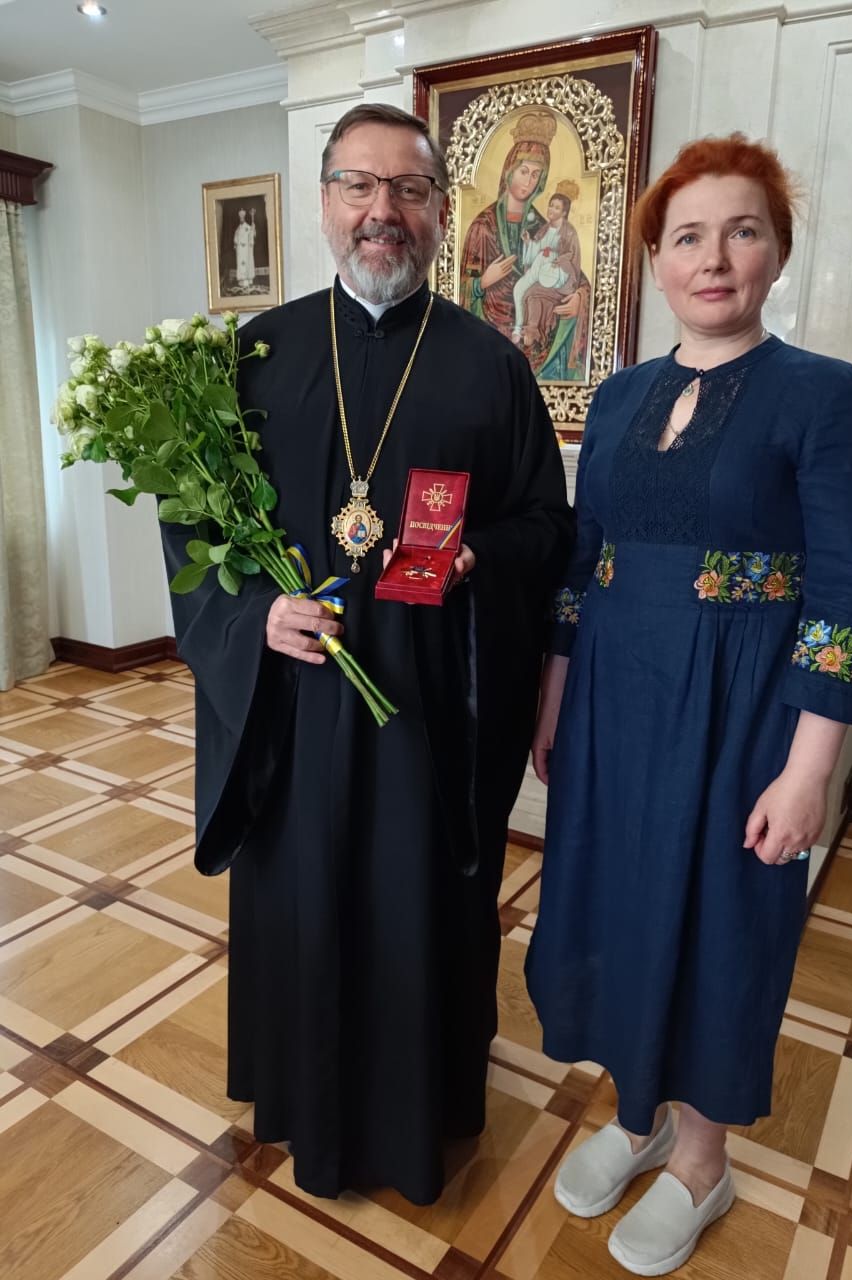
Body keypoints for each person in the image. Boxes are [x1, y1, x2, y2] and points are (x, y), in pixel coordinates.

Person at [161, 103, 573, 1206]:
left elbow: (548, 527)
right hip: (293, 708)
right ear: (325, 200)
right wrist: (255, 618)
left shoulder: (493, 367)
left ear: (442, 213)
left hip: (429, 709)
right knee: (300, 897)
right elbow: (190, 530)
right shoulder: (251, 356)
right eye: (359, 187)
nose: (382, 212)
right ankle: (304, 1102)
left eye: (408, 190)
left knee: (415, 904)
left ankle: (417, 1112)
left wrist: (477, 556)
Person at [527, 133, 852, 1275]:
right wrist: (554, 694)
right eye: (688, 235)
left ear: (777, 251)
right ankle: (635, 1116)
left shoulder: (824, 396)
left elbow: (849, 591)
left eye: (743, 229)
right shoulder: (623, 393)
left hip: (746, 716)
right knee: (619, 905)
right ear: (656, 260)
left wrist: (809, 765)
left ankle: (700, 1156)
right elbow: (585, 562)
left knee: (725, 925)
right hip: (613, 704)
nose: (715, 256)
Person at [460, 111, 590, 380]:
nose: (529, 181)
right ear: (509, 170)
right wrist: (482, 283)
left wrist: (580, 297)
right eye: (523, 171)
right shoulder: (483, 226)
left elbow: (575, 272)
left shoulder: (545, 226)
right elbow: (455, 295)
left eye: (536, 175)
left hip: (537, 323)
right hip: (489, 340)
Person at [512, 182, 583, 354]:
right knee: (518, 288)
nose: (551, 210)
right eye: (551, 205)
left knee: (533, 294)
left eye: (556, 208)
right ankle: (518, 327)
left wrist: (556, 259)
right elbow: (535, 252)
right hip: (538, 270)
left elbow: (572, 257)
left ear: (564, 212)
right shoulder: (544, 229)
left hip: (554, 277)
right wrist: (529, 242)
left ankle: (532, 333)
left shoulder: (569, 233)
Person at [233, 207, 255, 290]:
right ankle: (241, 281)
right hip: (239, 250)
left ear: (244, 218)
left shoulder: (248, 227)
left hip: (246, 249)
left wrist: (252, 231)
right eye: (240, 217)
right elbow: (235, 237)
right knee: (240, 264)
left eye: (242, 217)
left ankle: (247, 281)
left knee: (246, 263)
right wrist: (236, 244)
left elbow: (251, 236)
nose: (241, 219)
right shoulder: (238, 229)